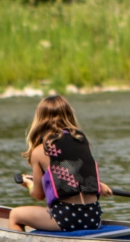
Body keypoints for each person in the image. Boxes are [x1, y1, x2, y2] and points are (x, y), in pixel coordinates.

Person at [9, 95, 112, 232]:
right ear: (69, 115)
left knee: (15, 215)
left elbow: (39, 195)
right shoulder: (82, 141)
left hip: (66, 218)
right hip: (93, 217)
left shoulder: (40, 151)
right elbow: (76, 173)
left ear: (39, 120)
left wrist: (29, 184)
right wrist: (98, 186)